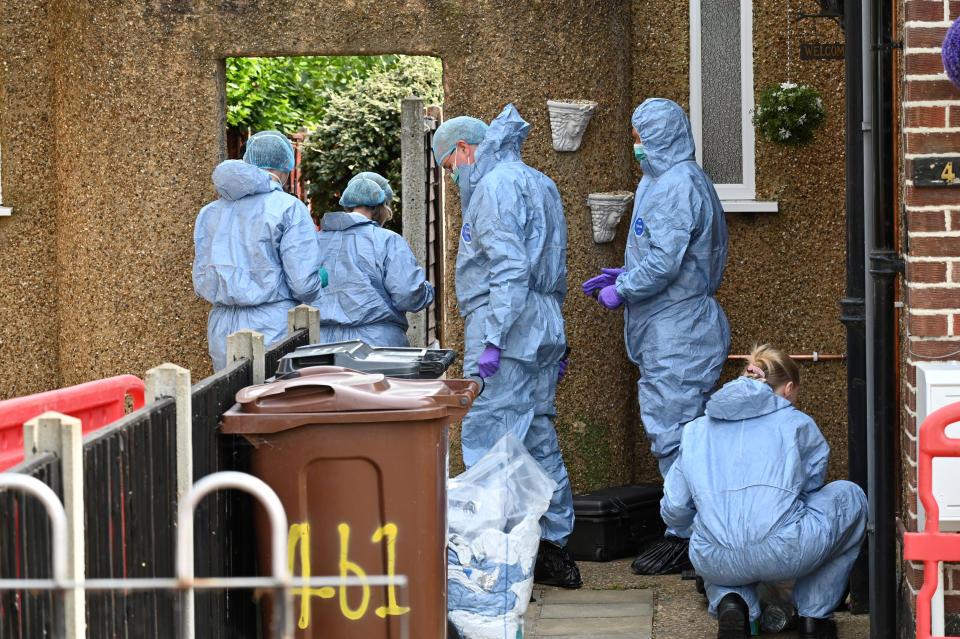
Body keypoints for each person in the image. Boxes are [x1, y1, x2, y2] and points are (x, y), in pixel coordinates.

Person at [433, 105, 580, 589]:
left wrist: (492, 340)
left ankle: (496, 556)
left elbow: (509, 272)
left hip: (507, 327)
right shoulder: (541, 182)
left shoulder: (494, 189)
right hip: (540, 326)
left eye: (450, 167)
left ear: (465, 149)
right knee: (538, 438)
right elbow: (551, 269)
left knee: (490, 441)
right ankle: (555, 549)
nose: (453, 178)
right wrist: (554, 340)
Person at [582, 98, 730, 572]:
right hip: (672, 324)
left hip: (679, 329)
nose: (636, 145)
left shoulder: (677, 185)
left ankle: (686, 535)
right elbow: (662, 252)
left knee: (676, 434)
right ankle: (695, 529)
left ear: (659, 137)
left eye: (640, 136)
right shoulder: (663, 180)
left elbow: (666, 264)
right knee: (681, 431)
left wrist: (624, 288)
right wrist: (623, 272)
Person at [660, 345, 867, 639]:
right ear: (789, 388)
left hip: (714, 560)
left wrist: (703, 524)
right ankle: (813, 617)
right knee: (851, 497)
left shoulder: (695, 430)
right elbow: (810, 486)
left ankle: (732, 602)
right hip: (785, 551)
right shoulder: (797, 423)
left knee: (712, 532)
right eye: (795, 395)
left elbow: (675, 510)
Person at [193, 130, 326, 371]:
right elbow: (303, 285)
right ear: (286, 165)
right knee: (271, 404)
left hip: (221, 326)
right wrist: (319, 279)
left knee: (230, 402)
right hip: (271, 325)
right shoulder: (289, 208)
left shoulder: (209, 212)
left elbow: (202, 279)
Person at [314, 174, 434, 346]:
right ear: (382, 205)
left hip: (321, 347)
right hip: (377, 348)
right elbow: (407, 294)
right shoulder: (387, 240)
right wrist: (427, 291)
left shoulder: (316, 241)